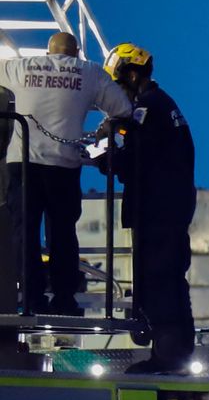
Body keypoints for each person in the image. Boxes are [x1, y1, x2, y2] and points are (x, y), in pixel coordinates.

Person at [0, 31, 131, 315]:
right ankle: (64, 299)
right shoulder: (90, 73)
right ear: (76, 53)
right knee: (63, 235)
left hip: (23, 165)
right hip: (63, 167)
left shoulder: (21, 67)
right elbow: (123, 108)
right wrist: (106, 127)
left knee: (25, 235)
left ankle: (31, 299)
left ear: (49, 52)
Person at [103, 44, 196, 373]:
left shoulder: (147, 107)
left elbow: (137, 159)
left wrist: (104, 159)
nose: (118, 91)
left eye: (118, 83)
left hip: (157, 208)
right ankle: (176, 354)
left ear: (131, 74)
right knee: (171, 278)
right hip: (170, 205)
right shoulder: (162, 104)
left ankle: (169, 356)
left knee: (158, 279)